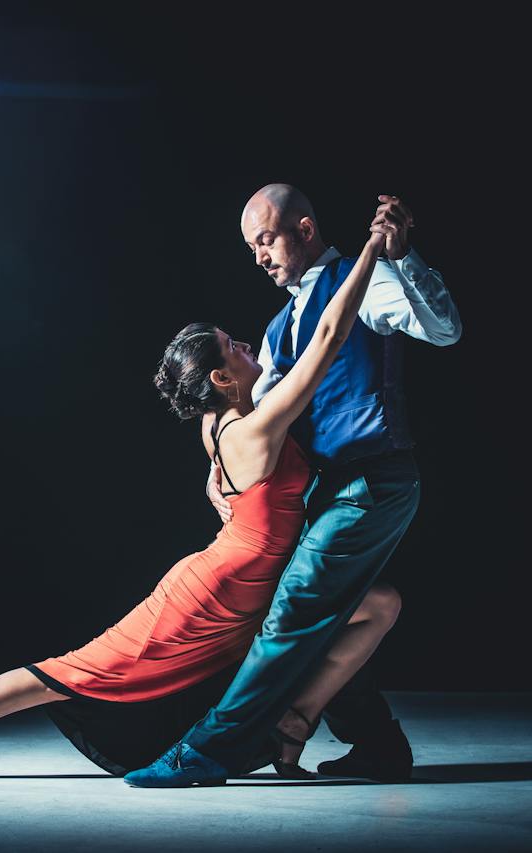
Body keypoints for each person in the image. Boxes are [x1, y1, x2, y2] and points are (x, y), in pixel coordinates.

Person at [0, 220, 397, 780]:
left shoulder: (217, 419)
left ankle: (294, 726)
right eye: (235, 347)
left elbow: (221, 474)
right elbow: (330, 336)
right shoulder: (256, 430)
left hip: (256, 582)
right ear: (221, 375)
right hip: (212, 596)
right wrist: (370, 250)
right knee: (69, 673)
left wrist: (214, 485)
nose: (247, 345)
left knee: (380, 605)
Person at [124, 186, 461, 787]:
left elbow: (443, 331)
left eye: (265, 240)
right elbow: (249, 408)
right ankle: (377, 745)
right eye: (250, 246)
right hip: (325, 492)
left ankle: (207, 751)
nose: (258, 256)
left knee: (294, 613)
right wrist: (215, 464)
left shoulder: (369, 281)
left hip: (372, 478)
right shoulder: (278, 327)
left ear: (303, 229)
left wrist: (404, 260)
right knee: (333, 613)